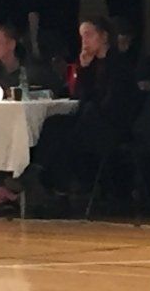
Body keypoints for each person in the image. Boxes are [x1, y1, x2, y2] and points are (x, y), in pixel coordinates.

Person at [30, 16, 142, 197]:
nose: (85, 41)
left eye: (89, 35)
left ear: (104, 36)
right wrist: (84, 68)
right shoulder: (93, 64)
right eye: (82, 37)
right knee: (54, 123)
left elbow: (113, 103)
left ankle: (58, 183)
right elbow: (80, 96)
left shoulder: (118, 64)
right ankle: (40, 173)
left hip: (112, 125)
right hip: (91, 120)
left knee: (69, 135)